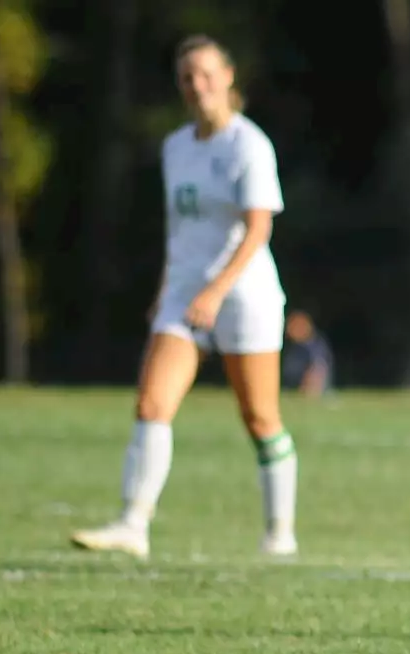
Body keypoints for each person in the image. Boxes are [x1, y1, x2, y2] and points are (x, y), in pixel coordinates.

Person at [71, 34, 298, 560]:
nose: (197, 86)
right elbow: (181, 231)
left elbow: (258, 228)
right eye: (186, 78)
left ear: (228, 77)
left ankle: (279, 532)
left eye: (206, 74)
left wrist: (217, 291)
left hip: (244, 296)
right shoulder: (176, 147)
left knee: (260, 416)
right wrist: (166, 291)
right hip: (184, 295)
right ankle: (134, 524)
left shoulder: (248, 145)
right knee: (152, 402)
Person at [282, 309, 334, 397]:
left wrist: (308, 391)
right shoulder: (294, 346)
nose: (289, 329)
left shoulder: (315, 346)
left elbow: (318, 371)